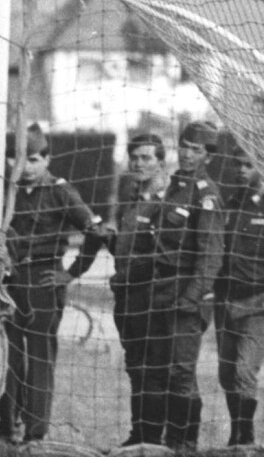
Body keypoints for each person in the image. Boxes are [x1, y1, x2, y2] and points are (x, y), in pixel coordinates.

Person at [1, 123, 104, 442]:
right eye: (18, 160)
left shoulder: (60, 190)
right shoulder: (6, 190)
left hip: (45, 280)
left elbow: (96, 232)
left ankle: (35, 431)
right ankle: (7, 426)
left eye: (33, 160)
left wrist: (71, 272)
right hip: (10, 282)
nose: (26, 168)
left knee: (40, 358)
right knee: (10, 355)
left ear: (47, 159)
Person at [147, 121, 224, 452]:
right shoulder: (175, 185)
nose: (189, 154)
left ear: (208, 155)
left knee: (180, 372)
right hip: (162, 289)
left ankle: (184, 441)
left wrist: (191, 297)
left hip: (186, 294)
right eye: (185, 146)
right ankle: (170, 439)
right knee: (167, 370)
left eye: (197, 149)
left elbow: (210, 255)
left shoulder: (207, 195)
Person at [105, 134, 167, 446]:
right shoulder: (131, 196)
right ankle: (137, 433)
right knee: (134, 367)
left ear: (161, 162)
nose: (139, 163)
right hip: (125, 297)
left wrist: (125, 277)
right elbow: (126, 248)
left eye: (146, 158)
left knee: (152, 368)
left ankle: (153, 437)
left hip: (149, 297)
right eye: (135, 157)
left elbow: (159, 256)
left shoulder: (165, 202)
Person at [214, 145, 264, 447]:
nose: (241, 170)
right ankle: (236, 431)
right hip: (225, 301)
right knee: (226, 371)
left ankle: (246, 435)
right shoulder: (229, 203)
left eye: (248, 164)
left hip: (258, 302)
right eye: (237, 164)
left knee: (245, 369)